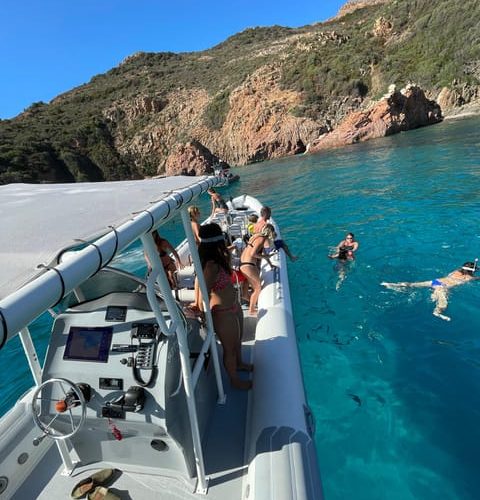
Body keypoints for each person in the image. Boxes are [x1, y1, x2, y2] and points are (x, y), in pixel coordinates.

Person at [198, 223, 253, 389]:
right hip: (223, 313)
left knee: (238, 342)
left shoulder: (219, 259)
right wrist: (200, 310)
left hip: (234, 306)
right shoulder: (210, 266)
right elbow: (203, 291)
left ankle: (240, 363)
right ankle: (234, 380)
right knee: (229, 349)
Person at [381, 261, 479, 321]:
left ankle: (391, 284)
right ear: (472, 271)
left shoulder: (456, 271)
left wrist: (474, 267)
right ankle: (437, 313)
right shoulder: (469, 278)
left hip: (435, 281)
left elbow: (467, 269)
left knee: (412, 285)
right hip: (442, 287)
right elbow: (476, 277)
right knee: (443, 303)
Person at [240, 224, 276, 315]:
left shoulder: (255, 237)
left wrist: (270, 264)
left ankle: (248, 298)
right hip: (249, 265)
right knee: (257, 288)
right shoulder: (262, 239)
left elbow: (258, 252)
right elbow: (253, 254)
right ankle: (251, 310)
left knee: (251, 285)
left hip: (243, 263)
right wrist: (266, 256)